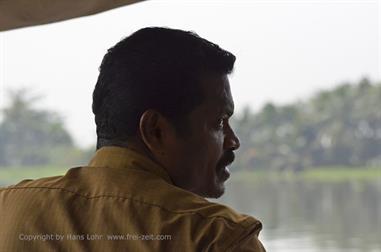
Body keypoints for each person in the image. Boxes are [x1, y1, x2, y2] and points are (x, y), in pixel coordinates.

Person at [0, 27, 266, 251]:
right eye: (219, 122)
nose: (233, 141)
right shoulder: (216, 238)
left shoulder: (8, 209)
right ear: (156, 131)